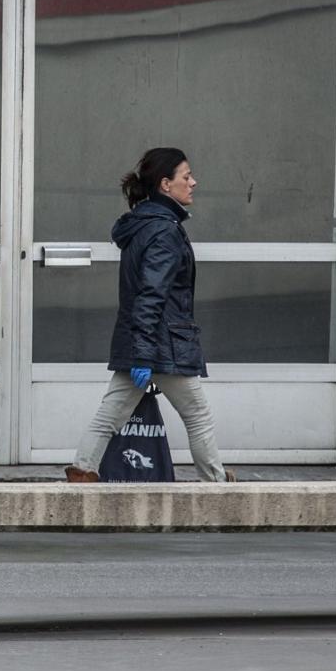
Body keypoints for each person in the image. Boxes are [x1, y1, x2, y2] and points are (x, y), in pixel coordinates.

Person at [64, 148, 235, 484]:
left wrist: (139, 353)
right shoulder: (164, 232)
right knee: (197, 415)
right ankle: (216, 486)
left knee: (110, 413)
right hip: (162, 344)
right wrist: (144, 355)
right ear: (165, 184)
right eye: (186, 176)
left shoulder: (142, 226)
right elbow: (151, 295)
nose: (194, 182)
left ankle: (82, 472)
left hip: (140, 341)